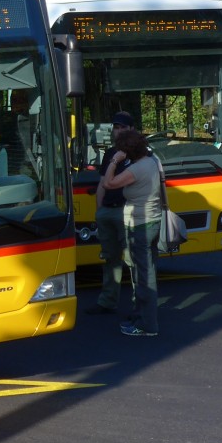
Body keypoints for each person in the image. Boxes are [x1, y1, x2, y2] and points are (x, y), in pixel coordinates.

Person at [100, 128, 162, 336]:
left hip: (140, 225)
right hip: (153, 221)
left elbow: (108, 183)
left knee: (144, 277)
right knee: (145, 272)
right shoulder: (152, 162)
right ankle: (140, 317)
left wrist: (114, 161)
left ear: (127, 152)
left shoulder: (136, 169)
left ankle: (147, 325)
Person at [85, 111, 135, 315]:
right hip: (108, 211)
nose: (119, 131)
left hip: (128, 211)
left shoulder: (139, 153)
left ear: (132, 129)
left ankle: (140, 306)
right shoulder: (109, 154)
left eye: (123, 127)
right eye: (116, 127)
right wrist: (100, 212)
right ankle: (107, 301)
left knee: (134, 260)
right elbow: (102, 184)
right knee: (110, 260)